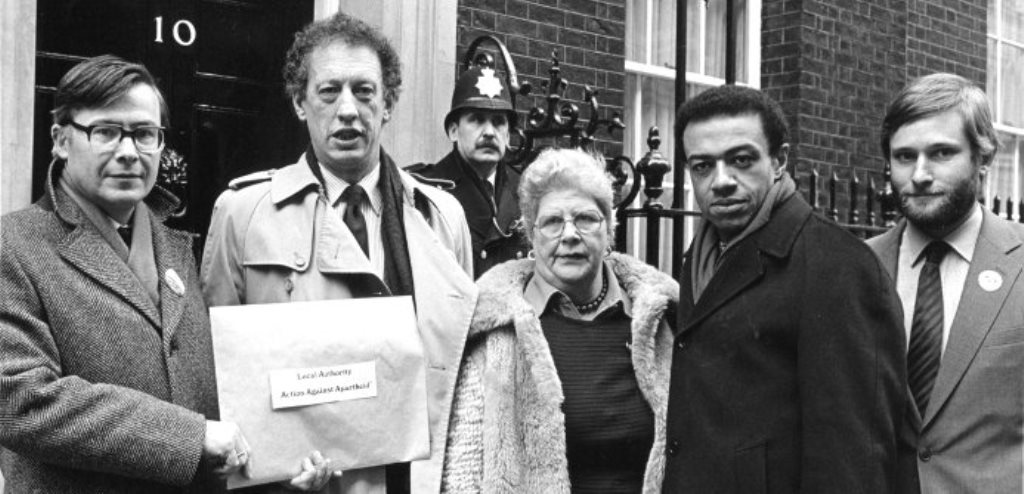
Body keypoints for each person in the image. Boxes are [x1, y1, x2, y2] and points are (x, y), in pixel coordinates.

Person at [200, 12, 478, 494]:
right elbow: (213, 374)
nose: (348, 109)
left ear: (388, 104)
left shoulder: (441, 217)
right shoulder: (242, 213)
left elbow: (462, 363)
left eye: (365, 91)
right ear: (299, 103)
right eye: (329, 92)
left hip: (413, 480)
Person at [0, 55, 253, 493]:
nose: (128, 152)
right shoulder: (14, 244)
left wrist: (278, 460)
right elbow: (19, 398)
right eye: (106, 132)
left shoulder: (177, 249)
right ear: (60, 140)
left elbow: (214, 397)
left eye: (144, 134)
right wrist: (188, 438)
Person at [662, 85, 911, 493]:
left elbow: (853, 457)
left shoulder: (837, 264)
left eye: (741, 160)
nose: (721, 181)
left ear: (780, 161)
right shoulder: (703, 252)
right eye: (702, 166)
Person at [441, 148, 678, 493]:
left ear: (609, 228)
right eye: (553, 222)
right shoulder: (495, 330)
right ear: (531, 235)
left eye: (585, 218)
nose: (570, 235)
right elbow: (462, 473)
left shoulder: (661, 319)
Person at [867, 73, 1024, 493]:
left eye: (941, 153)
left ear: (983, 158)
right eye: (904, 156)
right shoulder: (859, 266)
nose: (919, 174)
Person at [413, 63, 528, 278]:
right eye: (477, 120)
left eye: (498, 122)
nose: (489, 133)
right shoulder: (426, 191)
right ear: (453, 131)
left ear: (508, 135)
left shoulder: (526, 189)